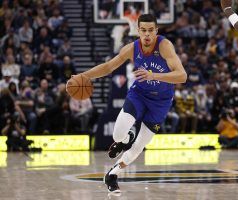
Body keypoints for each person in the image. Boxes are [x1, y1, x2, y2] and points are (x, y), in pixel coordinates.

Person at [68, 14, 187, 193]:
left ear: (156, 31)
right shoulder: (132, 48)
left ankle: (112, 175)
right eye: (143, 30)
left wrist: (153, 75)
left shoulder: (164, 46)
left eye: (150, 31)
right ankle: (125, 139)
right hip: (139, 95)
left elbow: (182, 76)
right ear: (138, 30)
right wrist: (85, 76)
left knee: (139, 147)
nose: (147, 34)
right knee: (117, 135)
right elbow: (108, 67)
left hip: (161, 102)